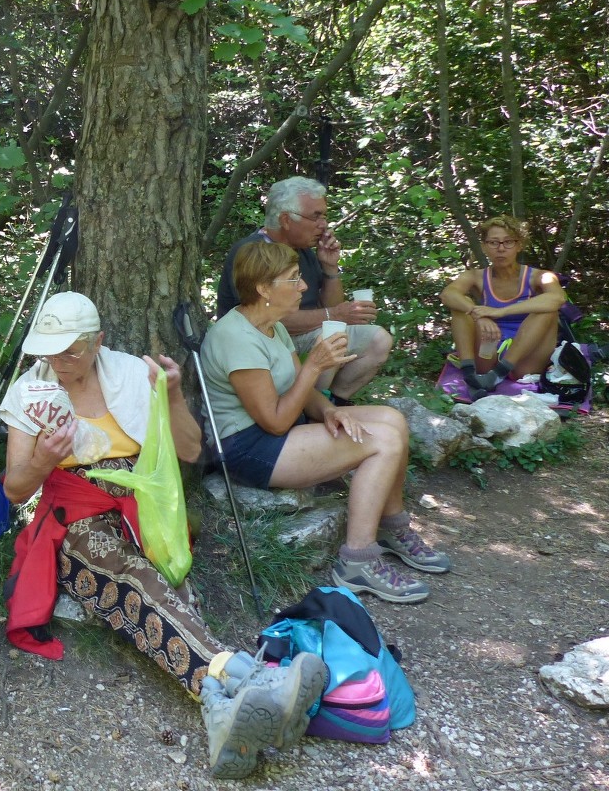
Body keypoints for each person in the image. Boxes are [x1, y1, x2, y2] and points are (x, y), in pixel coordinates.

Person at [0, 291, 327, 781]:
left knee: (171, 590)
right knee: (134, 578)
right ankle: (249, 676)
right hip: (75, 518)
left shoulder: (132, 373)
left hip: (144, 507)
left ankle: (221, 712)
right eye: (51, 350)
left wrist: (171, 393)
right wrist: (45, 458)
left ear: (98, 343)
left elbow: (192, 450)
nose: (59, 362)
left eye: (71, 350)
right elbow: (14, 489)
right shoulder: (31, 391)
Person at [202, 242, 451, 605]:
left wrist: (328, 410)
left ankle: (394, 527)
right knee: (381, 442)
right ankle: (357, 561)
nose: (303, 287)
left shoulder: (271, 325)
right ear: (263, 289)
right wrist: (314, 366)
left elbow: (296, 390)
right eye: (293, 279)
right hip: (250, 447)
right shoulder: (235, 338)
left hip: (281, 427)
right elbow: (273, 421)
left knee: (392, 420)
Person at [216, 176, 391, 405]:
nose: (324, 225)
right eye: (316, 216)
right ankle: (309, 407)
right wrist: (335, 315)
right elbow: (270, 320)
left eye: (324, 216)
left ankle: (332, 402)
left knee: (378, 340)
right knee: (330, 335)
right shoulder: (254, 254)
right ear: (286, 220)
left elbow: (330, 308)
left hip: (301, 334)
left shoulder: (304, 251)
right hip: (260, 341)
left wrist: (330, 267)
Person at [439, 215, 566, 394]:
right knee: (460, 306)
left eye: (508, 242)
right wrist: (477, 313)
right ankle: (471, 376)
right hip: (489, 350)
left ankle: (497, 375)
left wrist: (500, 312)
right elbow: (448, 294)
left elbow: (557, 299)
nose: (501, 249)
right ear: (484, 247)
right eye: (493, 243)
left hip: (525, 359)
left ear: (519, 245)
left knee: (547, 310)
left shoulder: (539, 276)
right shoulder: (475, 276)